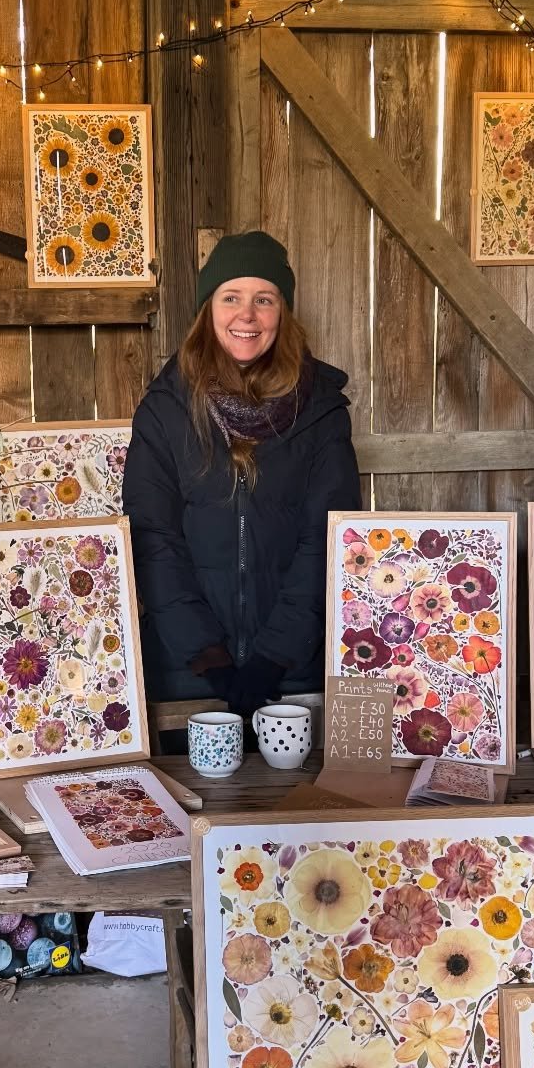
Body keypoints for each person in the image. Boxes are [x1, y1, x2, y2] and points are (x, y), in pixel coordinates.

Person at [124, 231, 361, 719]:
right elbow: (153, 539)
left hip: (295, 673)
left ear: (282, 313)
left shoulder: (322, 412)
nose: (246, 315)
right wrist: (206, 656)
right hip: (186, 674)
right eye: (231, 297)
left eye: (264, 299)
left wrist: (277, 653)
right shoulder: (164, 411)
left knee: (288, 796)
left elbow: (329, 540)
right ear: (208, 310)